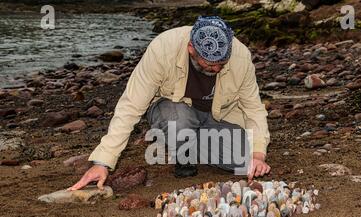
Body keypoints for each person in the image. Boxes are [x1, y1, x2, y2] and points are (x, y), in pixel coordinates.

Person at [69, 16, 271, 191]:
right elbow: (131, 105)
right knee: (179, 121)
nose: (217, 68)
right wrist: (103, 162)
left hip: (218, 118)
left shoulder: (240, 56)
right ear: (191, 48)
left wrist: (258, 155)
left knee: (244, 161)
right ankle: (184, 152)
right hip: (174, 111)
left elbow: (253, 108)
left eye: (222, 63)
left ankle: (193, 144)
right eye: (209, 63)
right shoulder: (163, 49)